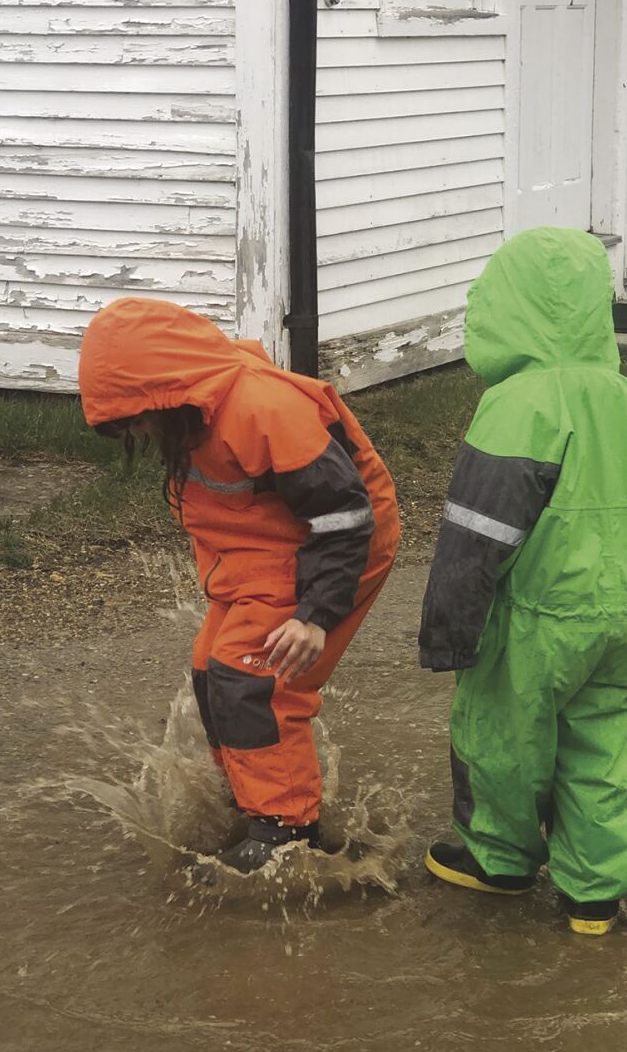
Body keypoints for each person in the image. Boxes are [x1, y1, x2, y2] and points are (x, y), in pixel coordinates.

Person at [78, 298, 400, 873]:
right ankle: (254, 797)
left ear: (166, 392)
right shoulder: (194, 411)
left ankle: (287, 831)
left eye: (136, 419)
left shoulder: (264, 408)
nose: (138, 432)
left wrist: (315, 615)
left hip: (335, 545)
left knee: (255, 677)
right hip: (266, 548)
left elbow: (345, 518)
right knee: (211, 668)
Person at [418, 227, 627, 935]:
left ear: (506, 304)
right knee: (603, 747)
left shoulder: (519, 403)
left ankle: (497, 859)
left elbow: (477, 532)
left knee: (500, 737)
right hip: (623, 616)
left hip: (535, 619)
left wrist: (449, 631)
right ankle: (594, 894)